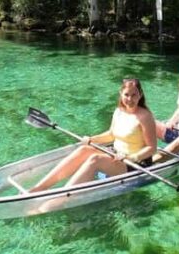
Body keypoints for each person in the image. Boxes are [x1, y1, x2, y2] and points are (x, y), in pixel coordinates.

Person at [27, 78, 157, 192]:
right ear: (121, 94)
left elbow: (152, 148)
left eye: (134, 95)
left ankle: (62, 195)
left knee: (95, 159)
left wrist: (132, 157)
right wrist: (91, 139)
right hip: (116, 154)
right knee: (84, 149)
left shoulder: (145, 116)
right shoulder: (119, 111)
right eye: (126, 95)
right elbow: (111, 135)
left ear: (140, 95)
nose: (129, 99)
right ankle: (39, 188)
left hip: (135, 163)